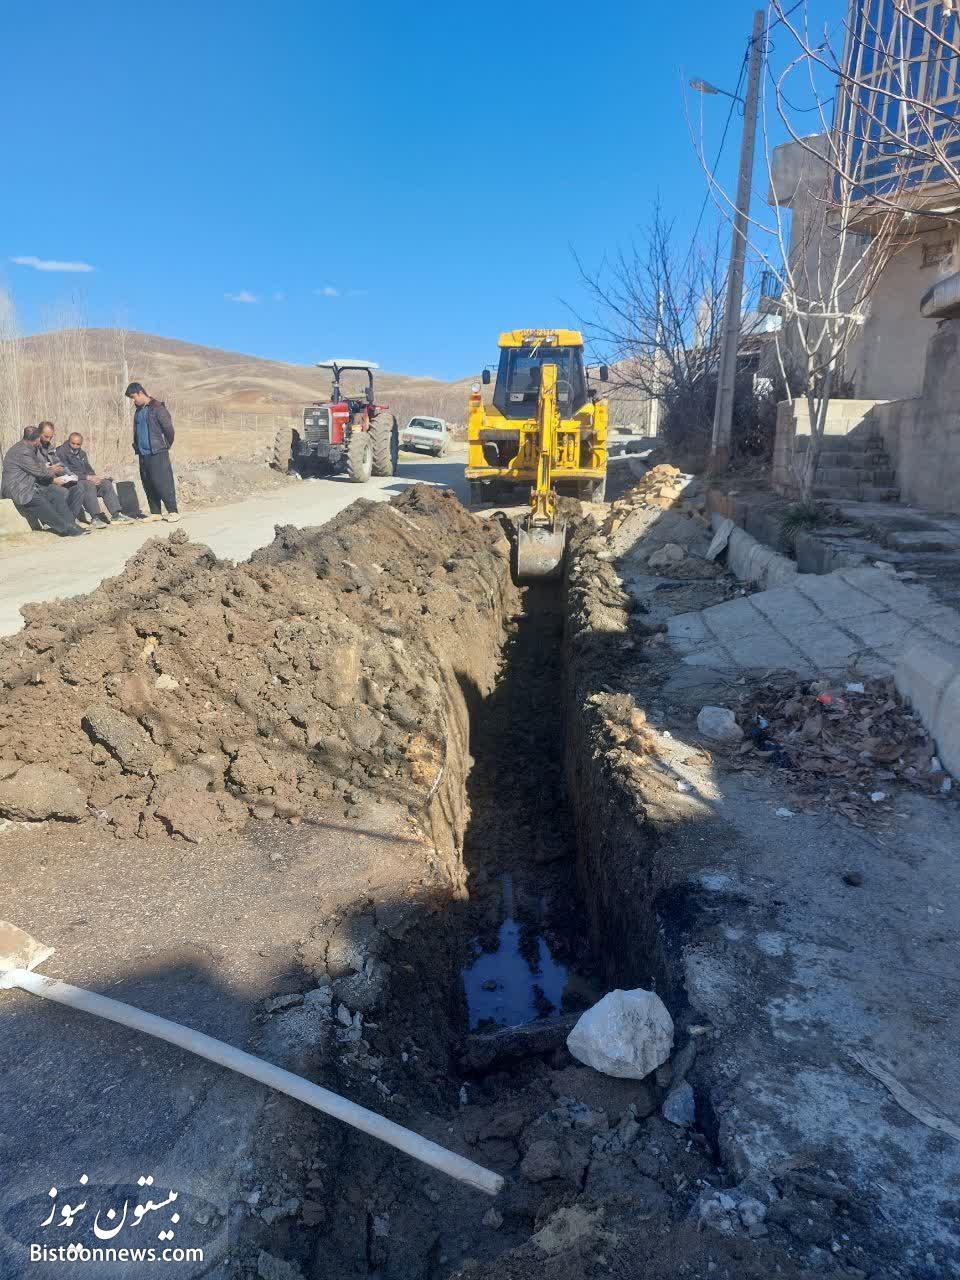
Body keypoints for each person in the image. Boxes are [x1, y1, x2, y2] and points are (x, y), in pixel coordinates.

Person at [0, 427, 88, 537]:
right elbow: (38, 472)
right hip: (18, 488)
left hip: (28, 485)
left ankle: (72, 524)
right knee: (40, 502)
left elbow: (34, 466)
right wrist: (52, 471)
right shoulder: (23, 451)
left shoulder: (26, 447)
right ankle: (66, 529)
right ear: (37, 439)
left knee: (55, 495)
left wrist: (48, 468)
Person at [124, 382, 180, 522]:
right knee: (148, 482)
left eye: (133, 397)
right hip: (143, 453)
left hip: (158, 452)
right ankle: (155, 512)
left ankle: (173, 511)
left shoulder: (158, 408)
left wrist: (164, 446)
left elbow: (169, 430)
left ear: (140, 393)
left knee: (163, 482)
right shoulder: (138, 411)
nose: (133, 400)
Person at [56, 431, 133, 528]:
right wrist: (87, 477)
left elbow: (88, 469)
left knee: (105, 484)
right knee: (89, 484)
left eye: (78, 444)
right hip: (71, 482)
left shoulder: (81, 453)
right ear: (68, 441)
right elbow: (66, 472)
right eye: (73, 443)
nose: (75, 446)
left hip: (85, 479)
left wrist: (96, 478)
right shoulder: (60, 452)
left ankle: (116, 514)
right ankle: (95, 517)